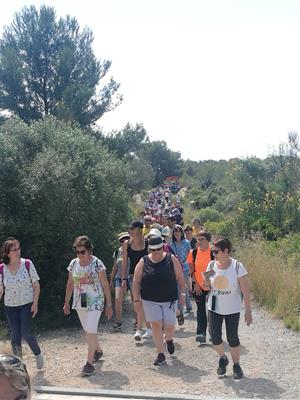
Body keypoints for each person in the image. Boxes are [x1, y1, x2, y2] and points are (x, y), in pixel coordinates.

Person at [63, 235, 113, 376]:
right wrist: (66, 302)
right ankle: (98, 350)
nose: (80, 255)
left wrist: (109, 304)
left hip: (96, 299)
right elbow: (70, 283)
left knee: (91, 329)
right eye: (77, 252)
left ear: (89, 250)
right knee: (88, 330)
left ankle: (89, 363)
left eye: (82, 251)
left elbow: (105, 284)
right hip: (81, 300)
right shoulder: (73, 264)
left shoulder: (97, 263)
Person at [133, 236, 186, 366]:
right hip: (150, 299)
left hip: (169, 299)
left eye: (158, 249)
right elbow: (136, 281)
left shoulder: (171, 259)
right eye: (153, 249)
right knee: (156, 325)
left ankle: (168, 339)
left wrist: (183, 294)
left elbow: (180, 277)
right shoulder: (143, 261)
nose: (156, 252)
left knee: (169, 325)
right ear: (149, 249)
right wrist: (136, 299)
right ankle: (160, 353)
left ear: (162, 247)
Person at [204, 237, 252, 379]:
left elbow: (245, 291)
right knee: (214, 336)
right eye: (213, 251)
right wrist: (206, 282)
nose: (214, 254)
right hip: (214, 307)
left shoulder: (237, 267)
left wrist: (248, 311)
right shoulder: (211, 265)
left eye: (216, 251)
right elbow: (206, 285)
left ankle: (236, 365)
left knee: (232, 337)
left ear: (226, 251)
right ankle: (222, 357)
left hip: (232, 308)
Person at [0, 238, 44, 370]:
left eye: (18, 248)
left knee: (26, 333)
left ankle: (38, 353)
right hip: (10, 306)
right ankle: (19, 366)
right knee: (15, 336)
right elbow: (1, 288)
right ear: (7, 253)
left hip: (26, 304)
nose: (17, 251)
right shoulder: (2, 268)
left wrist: (35, 304)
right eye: (14, 250)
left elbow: (36, 285)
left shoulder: (27, 264)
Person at [121, 221, 149, 341]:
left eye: (132, 228)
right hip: (133, 276)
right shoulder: (126, 244)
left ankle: (147, 327)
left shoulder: (147, 243)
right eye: (129, 228)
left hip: (147, 276)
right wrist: (123, 278)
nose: (130, 231)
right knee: (137, 301)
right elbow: (124, 262)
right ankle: (139, 327)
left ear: (139, 229)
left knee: (146, 301)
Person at [187, 230, 213, 343]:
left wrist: (207, 280)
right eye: (198, 239)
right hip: (198, 286)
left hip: (213, 286)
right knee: (200, 310)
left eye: (202, 239)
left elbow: (217, 268)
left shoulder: (213, 253)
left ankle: (214, 333)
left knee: (213, 311)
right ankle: (201, 333)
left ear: (208, 241)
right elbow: (191, 269)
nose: (200, 241)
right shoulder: (193, 252)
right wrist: (196, 283)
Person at [110, 232, 131, 332]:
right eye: (122, 240)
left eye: (126, 239)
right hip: (119, 277)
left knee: (136, 301)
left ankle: (138, 324)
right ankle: (118, 322)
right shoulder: (117, 252)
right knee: (117, 299)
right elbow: (115, 267)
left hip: (131, 277)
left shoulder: (133, 251)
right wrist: (111, 281)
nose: (124, 242)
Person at [170, 225, 192, 321]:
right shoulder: (171, 244)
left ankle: (181, 309)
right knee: (181, 288)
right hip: (176, 269)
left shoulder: (187, 243)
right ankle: (186, 307)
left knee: (183, 287)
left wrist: (185, 262)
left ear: (181, 232)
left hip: (186, 268)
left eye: (179, 230)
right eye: (175, 231)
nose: (177, 232)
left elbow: (190, 254)